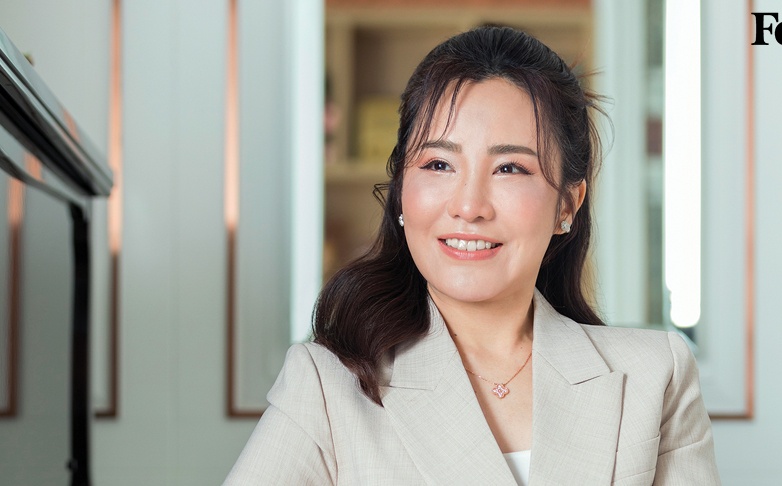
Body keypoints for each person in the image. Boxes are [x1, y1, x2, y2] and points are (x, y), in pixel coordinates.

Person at [225, 25, 720, 485]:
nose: (468, 206)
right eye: (439, 164)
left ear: (567, 205)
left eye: (510, 168)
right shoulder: (327, 385)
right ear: (401, 193)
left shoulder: (654, 377)